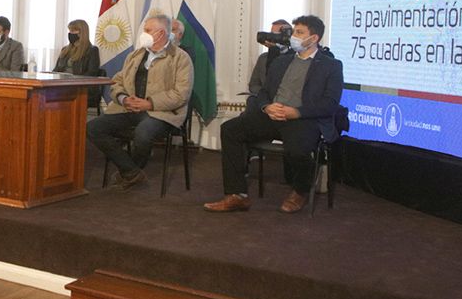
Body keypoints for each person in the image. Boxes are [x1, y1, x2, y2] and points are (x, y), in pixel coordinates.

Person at [205, 15, 343, 213]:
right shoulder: (281, 62)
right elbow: (263, 93)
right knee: (230, 129)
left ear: (314, 38)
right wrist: (266, 107)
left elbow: (330, 104)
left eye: (299, 32)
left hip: (302, 119)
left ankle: (300, 190)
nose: (293, 36)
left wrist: (296, 112)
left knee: (300, 148)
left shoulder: (331, 66)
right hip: (272, 115)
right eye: (294, 31)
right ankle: (237, 195)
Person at [86, 13, 193, 191]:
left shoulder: (181, 58)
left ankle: (130, 172)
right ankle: (132, 172)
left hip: (162, 113)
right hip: (128, 109)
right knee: (93, 128)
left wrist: (149, 103)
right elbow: (117, 81)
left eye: (148, 30)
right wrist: (123, 98)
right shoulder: (136, 55)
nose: (143, 33)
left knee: (143, 133)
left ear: (161, 33)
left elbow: (181, 94)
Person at [54, 19, 103, 108]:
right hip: (62, 85)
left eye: (73, 31)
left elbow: (91, 73)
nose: (70, 33)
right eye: (69, 31)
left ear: (82, 33)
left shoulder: (92, 51)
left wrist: (72, 80)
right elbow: (56, 69)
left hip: (80, 87)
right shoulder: (65, 50)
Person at [248, 19, 292, 96]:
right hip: (264, 101)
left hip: (286, 101)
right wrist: (264, 96)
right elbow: (253, 85)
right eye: (271, 34)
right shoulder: (263, 58)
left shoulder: (294, 57)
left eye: (276, 34)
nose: (272, 37)